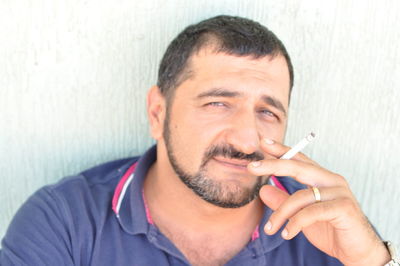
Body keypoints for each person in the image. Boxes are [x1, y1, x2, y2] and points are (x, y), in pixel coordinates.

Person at [0, 15, 397, 266]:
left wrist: (372, 262)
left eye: (268, 112)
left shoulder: (322, 231)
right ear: (158, 113)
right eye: (218, 103)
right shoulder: (65, 221)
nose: (246, 139)